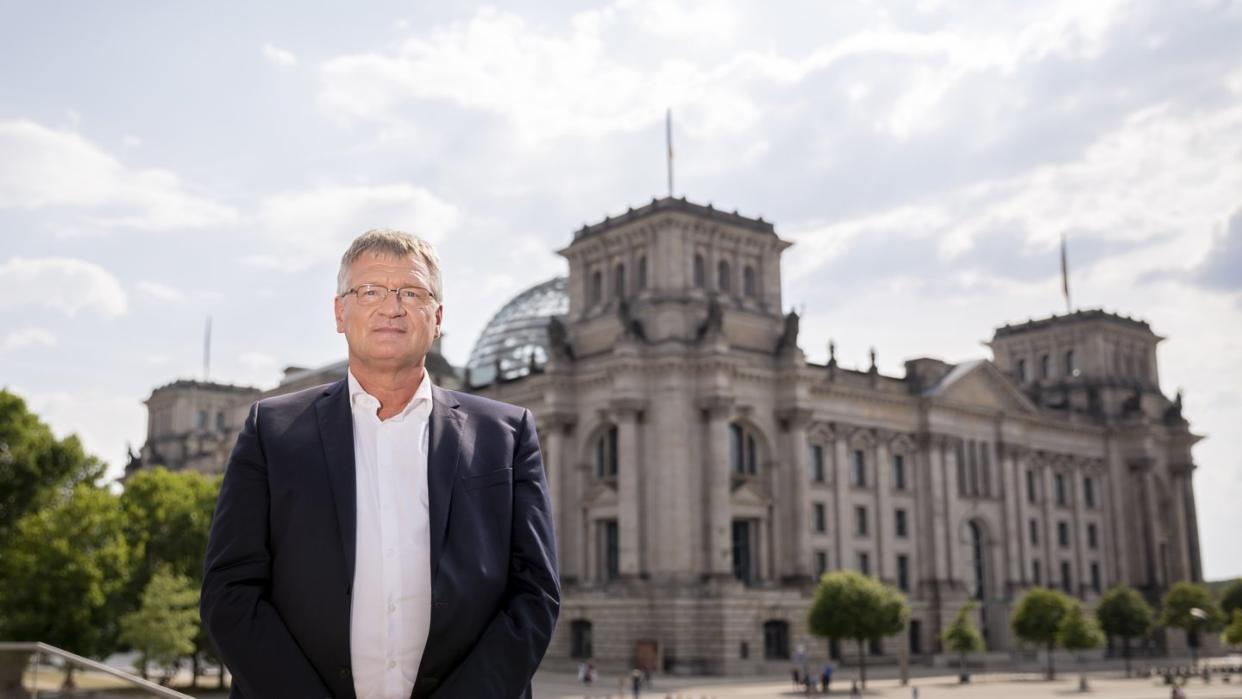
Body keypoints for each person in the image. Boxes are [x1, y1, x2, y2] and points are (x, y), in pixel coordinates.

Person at [201, 229, 560, 698]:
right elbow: (231, 592)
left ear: (437, 317)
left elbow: (535, 593)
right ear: (339, 312)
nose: (391, 307)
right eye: (369, 290)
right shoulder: (272, 430)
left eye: (411, 293)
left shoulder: (507, 434)